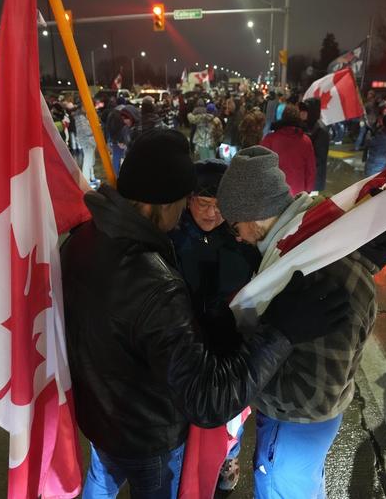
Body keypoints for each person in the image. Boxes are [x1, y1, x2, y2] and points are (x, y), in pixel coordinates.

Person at [61, 129, 350, 499]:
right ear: (165, 202)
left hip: (100, 420)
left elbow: (124, 330)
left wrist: (208, 325)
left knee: (100, 483)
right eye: (187, 200)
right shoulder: (153, 280)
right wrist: (281, 332)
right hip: (149, 436)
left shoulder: (82, 240)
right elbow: (207, 400)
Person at [216, 146, 386, 498]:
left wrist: (248, 374)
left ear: (254, 216)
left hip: (296, 426)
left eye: (236, 226)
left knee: (283, 489)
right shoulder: (305, 243)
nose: (238, 237)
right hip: (303, 427)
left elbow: (314, 395)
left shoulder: (313, 269)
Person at [168, 159, 261, 491]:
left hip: (228, 347)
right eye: (204, 204)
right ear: (189, 200)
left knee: (229, 416)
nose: (211, 214)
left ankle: (229, 454)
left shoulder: (244, 243)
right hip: (184, 347)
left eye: (220, 206)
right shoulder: (169, 241)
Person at [260, 104, 315, 195]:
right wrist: (308, 189)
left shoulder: (270, 139)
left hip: (276, 191)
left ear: (282, 117)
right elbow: (310, 169)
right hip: (298, 191)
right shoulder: (306, 141)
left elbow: (262, 166)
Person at [300, 100, 330, 192]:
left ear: (311, 112)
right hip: (307, 176)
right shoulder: (307, 125)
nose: (301, 113)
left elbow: (319, 158)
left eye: (304, 111)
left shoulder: (321, 130)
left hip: (314, 180)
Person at [71, 104, 97, 185]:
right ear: (83, 107)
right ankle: (87, 180)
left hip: (88, 141)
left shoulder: (82, 116)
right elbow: (86, 130)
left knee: (90, 160)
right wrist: (95, 129)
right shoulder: (81, 117)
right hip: (87, 141)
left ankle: (91, 178)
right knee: (88, 161)